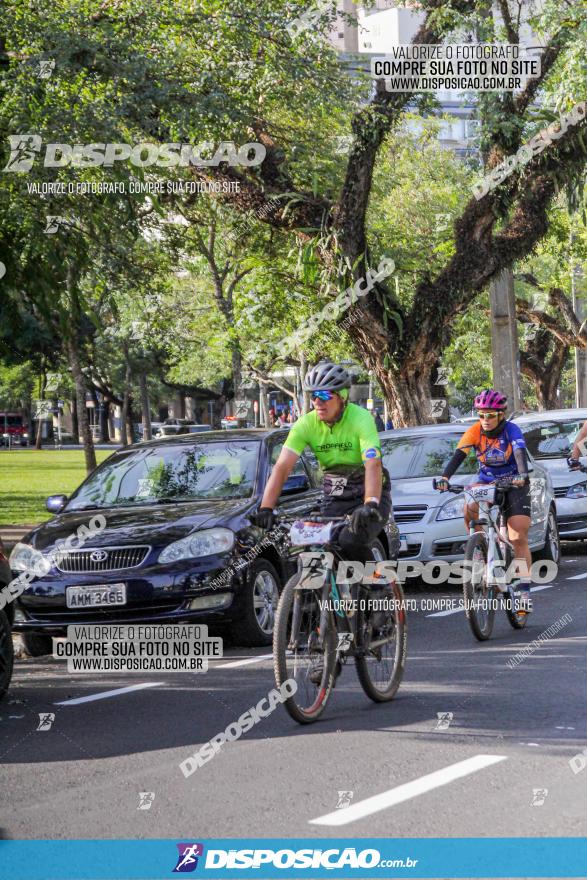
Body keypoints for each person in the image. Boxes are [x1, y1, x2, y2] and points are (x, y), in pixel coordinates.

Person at [434, 388, 533, 614]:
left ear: (500, 414)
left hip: (514, 482)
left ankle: (524, 591)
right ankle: (478, 548)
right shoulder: (474, 431)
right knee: (468, 506)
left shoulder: (512, 430)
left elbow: (519, 454)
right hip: (487, 481)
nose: (485, 420)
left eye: (490, 415)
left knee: (518, 534)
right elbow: (458, 456)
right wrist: (444, 478)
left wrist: (522, 475)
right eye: (481, 415)